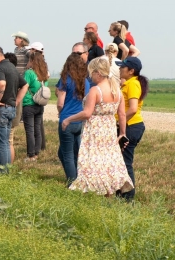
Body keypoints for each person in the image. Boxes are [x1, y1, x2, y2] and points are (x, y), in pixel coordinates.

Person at [63, 58, 133, 196]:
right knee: (108, 161)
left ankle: (93, 191)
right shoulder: (117, 91)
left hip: (94, 131)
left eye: (91, 73)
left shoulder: (96, 90)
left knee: (92, 161)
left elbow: (87, 113)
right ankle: (108, 192)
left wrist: (68, 119)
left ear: (98, 73)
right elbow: (122, 115)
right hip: (109, 130)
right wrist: (122, 133)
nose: (90, 76)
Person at [0, 46, 28, 173]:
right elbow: (25, 85)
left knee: (0, 143)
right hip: (11, 109)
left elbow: (2, 84)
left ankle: (2, 172)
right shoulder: (12, 68)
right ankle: (6, 170)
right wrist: (16, 101)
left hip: (2, 109)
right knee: (5, 142)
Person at [116, 57, 148, 202]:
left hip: (131, 126)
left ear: (131, 71)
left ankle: (128, 197)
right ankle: (120, 192)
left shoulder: (133, 84)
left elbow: (133, 109)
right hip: (129, 125)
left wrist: (120, 121)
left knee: (125, 162)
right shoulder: (128, 83)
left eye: (123, 67)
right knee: (120, 161)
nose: (120, 69)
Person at [56, 53, 91, 186]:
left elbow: (60, 102)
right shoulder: (86, 82)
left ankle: (73, 183)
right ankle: (79, 177)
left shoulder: (65, 80)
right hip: (80, 120)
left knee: (68, 155)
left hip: (67, 120)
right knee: (70, 152)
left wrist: (60, 112)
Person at [21, 52, 48, 161]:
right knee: (37, 130)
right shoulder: (43, 74)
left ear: (32, 61)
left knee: (30, 131)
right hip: (40, 104)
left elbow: (24, 86)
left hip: (29, 104)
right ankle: (36, 153)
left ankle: (31, 154)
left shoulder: (29, 73)